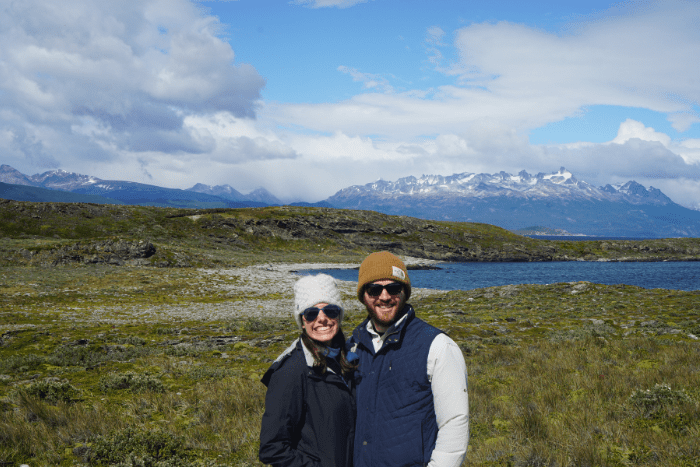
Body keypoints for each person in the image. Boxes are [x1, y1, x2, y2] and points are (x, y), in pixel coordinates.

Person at [350, 251, 469, 467]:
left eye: (393, 288)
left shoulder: (438, 346)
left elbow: (455, 423)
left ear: (405, 291)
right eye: (374, 289)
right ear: (363, 295)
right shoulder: (353, 346)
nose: (384, 296)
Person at [259, 273, 357, 467]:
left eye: (330, 310)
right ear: (303, 321)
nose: (322, 319)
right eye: (311, 313)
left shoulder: (347, 358)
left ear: (339, 315)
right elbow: (272, 448)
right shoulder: (290, 372)